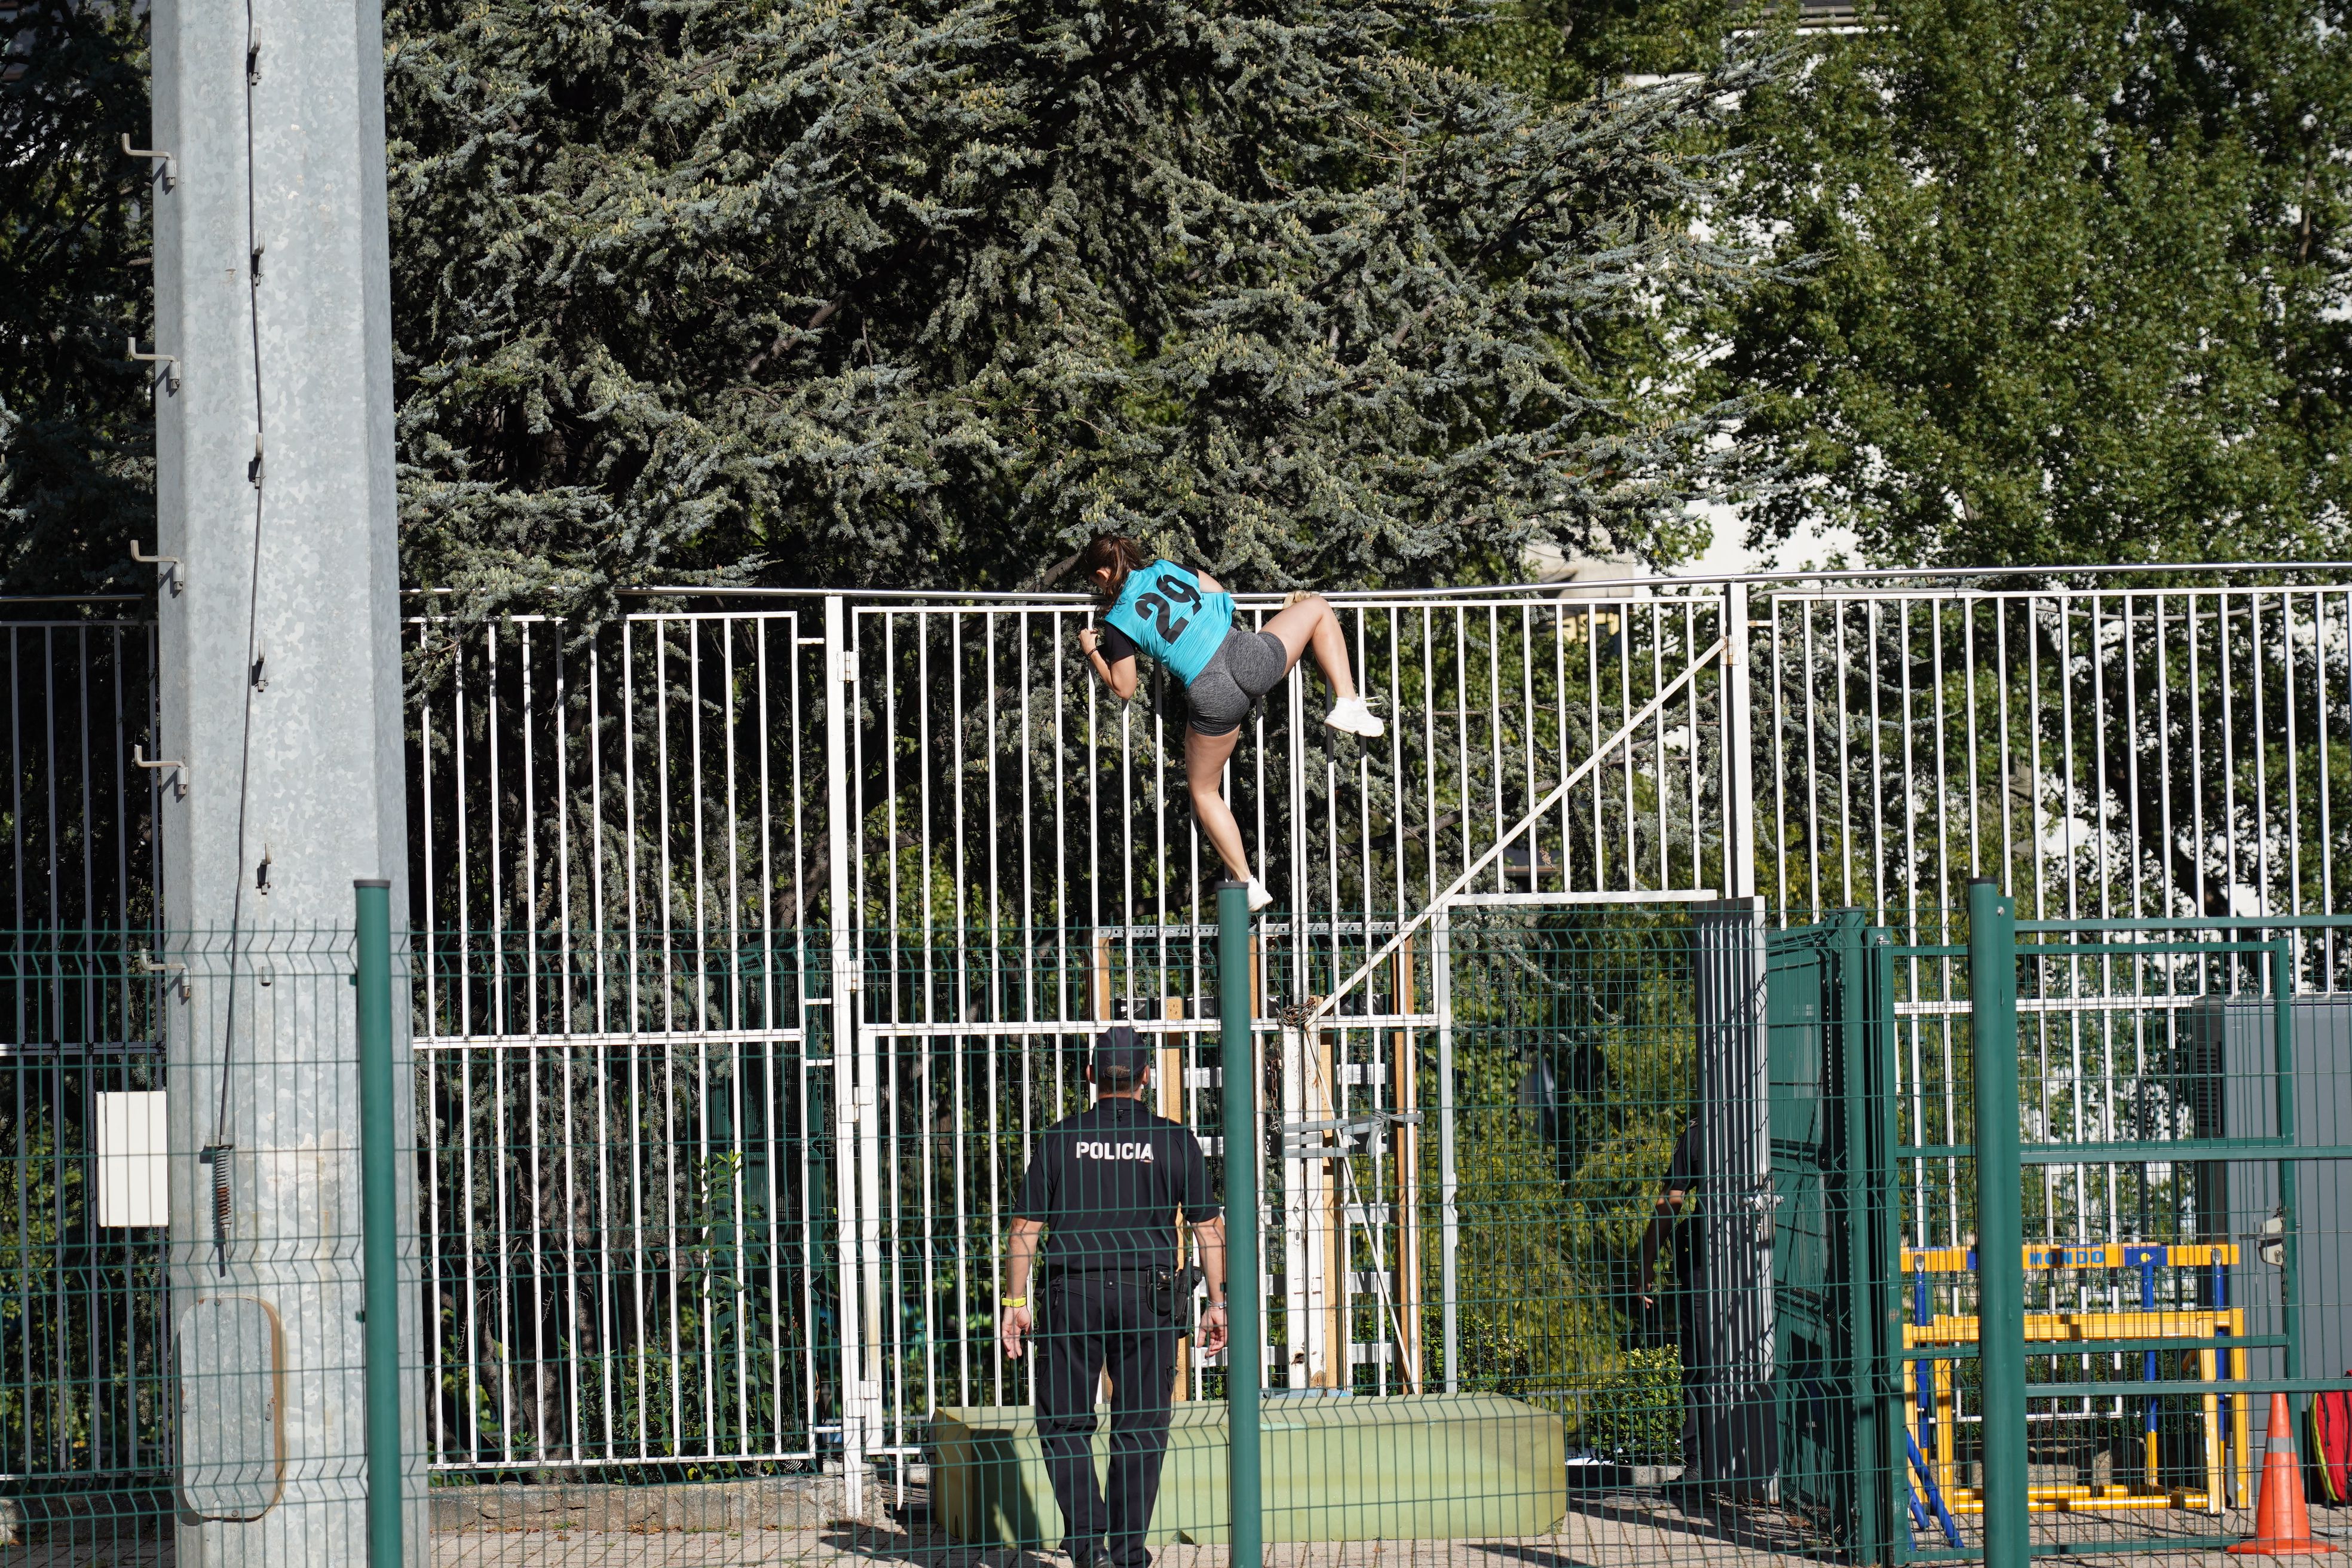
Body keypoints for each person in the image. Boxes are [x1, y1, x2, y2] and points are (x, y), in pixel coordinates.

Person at [1000, 1027, 1229, 1568]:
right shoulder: (1175, 1140)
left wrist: (1015, 1304)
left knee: (1065, 1423)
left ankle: (1088, 1546)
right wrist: (1218, 1303)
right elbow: (1208, 1229)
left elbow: (1024, 1230)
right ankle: (1126, 1552)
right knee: (1142, 1423)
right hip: (1147, 1297)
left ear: (1090, 1075)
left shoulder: (1058, 1140)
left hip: (1071, 1295)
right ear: (1146, 1077)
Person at [1070, 534, 1383, 911]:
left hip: (1212, 692)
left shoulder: (1117, 620)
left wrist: (1092, 650)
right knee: (1316, 608)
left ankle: (1247, 881)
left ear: (1104, 574)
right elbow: (1218, 590)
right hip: (1245, 653)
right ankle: (1348, 701)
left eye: (1095, 583)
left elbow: (1124, 686)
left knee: (1204, 791)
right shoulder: (1167, 569)